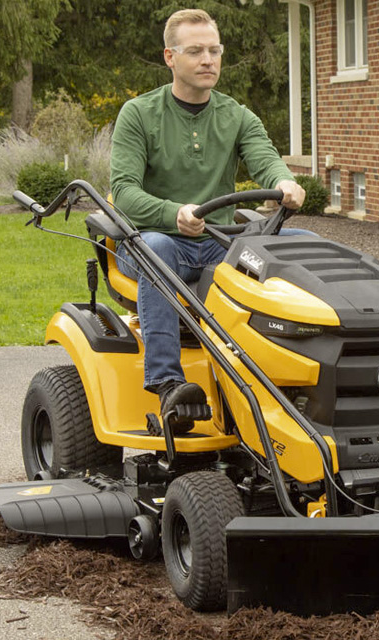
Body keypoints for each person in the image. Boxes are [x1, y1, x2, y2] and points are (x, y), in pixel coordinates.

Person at [110, 8, 306, 432]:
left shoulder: (236, 116)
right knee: (158, 249)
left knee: (302, 241)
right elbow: (123, 193)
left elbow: (266, 161)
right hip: (152, 241)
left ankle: (296, 374)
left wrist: (285, 182)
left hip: (220, 241)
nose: (208, 60)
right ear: (170, 57)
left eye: (214, 50)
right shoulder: (139, 114)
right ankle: (167, 385)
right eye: (195, 51)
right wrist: (172, 214)